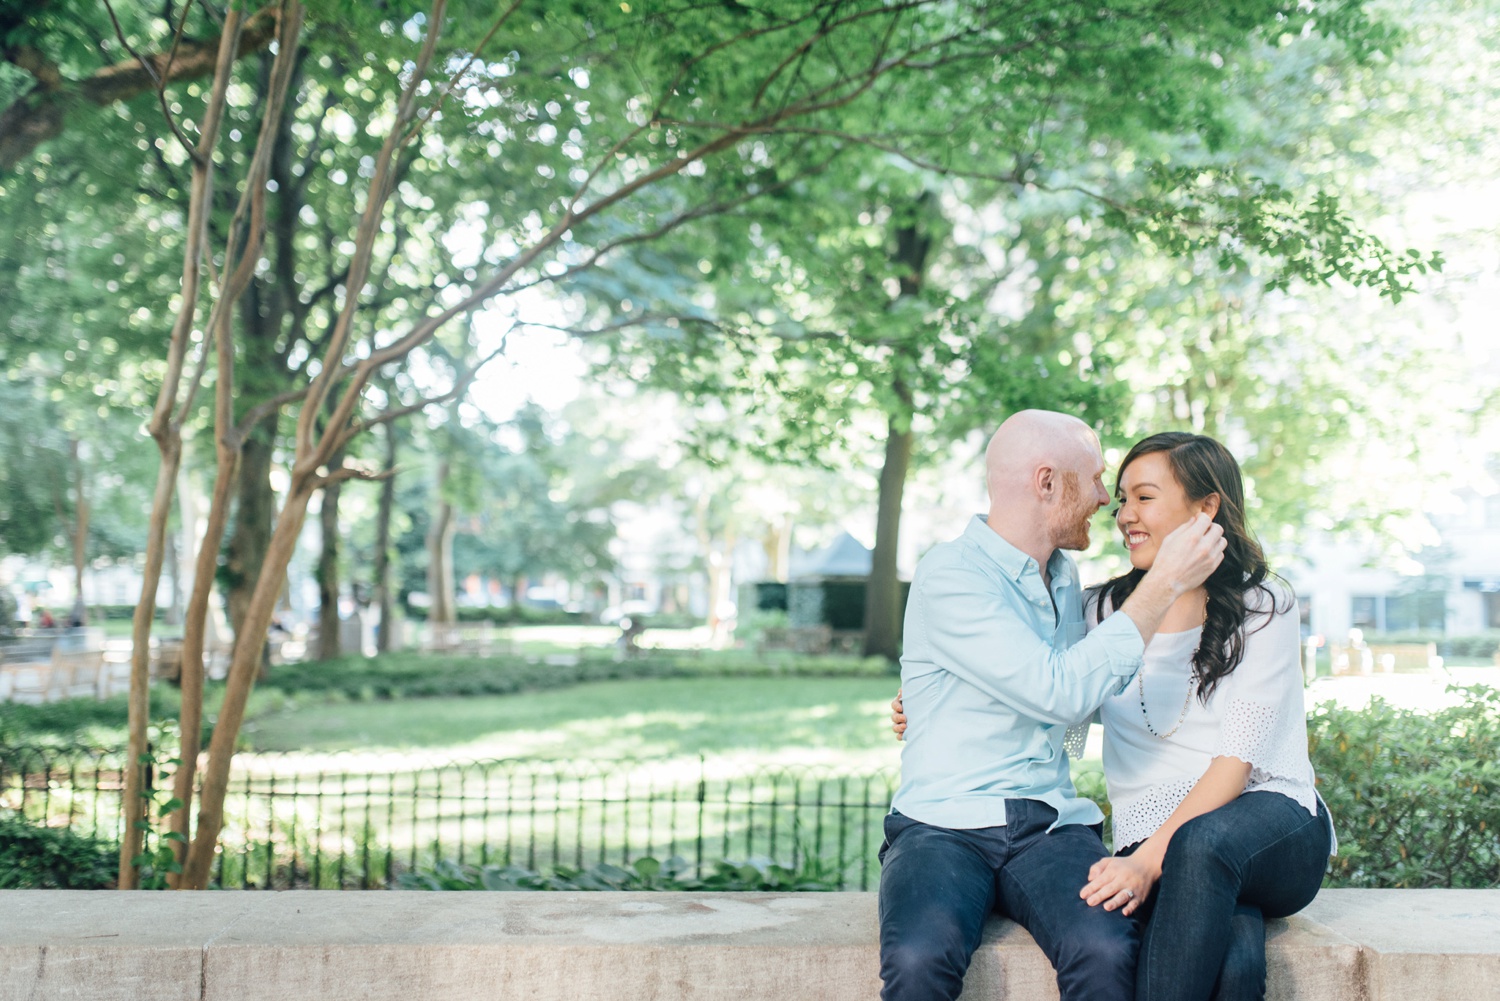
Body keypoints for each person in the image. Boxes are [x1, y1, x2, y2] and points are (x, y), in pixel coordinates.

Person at [894, 431, 1333, 1001]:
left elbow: (1236, 763)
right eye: (1120, 495)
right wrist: (929, 703)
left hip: (1265, 819)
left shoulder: (1263, 604)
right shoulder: (1098, 609)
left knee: (1201, 850)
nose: (1120, 512)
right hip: (1157, 840)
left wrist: (1149, 862)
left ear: (1207, 507)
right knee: (1236, 954)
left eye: (1142, 497)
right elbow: (1043, 682)